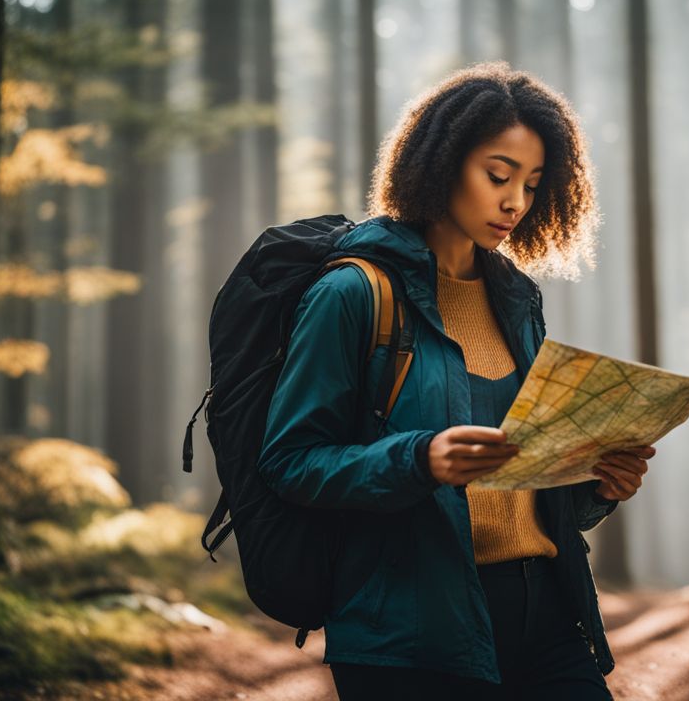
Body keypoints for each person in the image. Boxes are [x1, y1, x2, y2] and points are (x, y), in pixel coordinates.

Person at [258, 61, 655, 700]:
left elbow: (526, 485)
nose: (515, 202)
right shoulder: (352, 294)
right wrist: (419, 458)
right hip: (410, 635)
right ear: (440, 163)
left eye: (531, 183)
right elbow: (291, 461)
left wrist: (600, 484)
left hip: (548, 618)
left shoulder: (516, 299)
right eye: (497, 175)